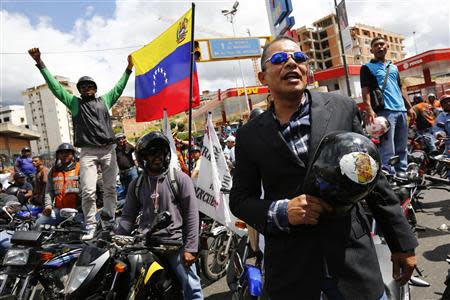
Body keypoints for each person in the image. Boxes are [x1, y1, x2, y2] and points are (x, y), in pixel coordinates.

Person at [229, 36, 418, 300]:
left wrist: (402, 243)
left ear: (307, 69)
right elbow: (239, 200)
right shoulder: (249, 136)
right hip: (292, 273)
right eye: (280, 60)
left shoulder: (342, 108)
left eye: (299, 58)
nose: (292, 64)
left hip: (352, 261)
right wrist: (282, 211)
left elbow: (371, 177)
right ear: (263, 77)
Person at [28, 47, 133, 240]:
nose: (86, 88)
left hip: (108, 150)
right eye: (82, 86)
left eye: (89, 85)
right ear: (79, 90)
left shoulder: (105, 101)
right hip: (88, 152)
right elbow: (56, 88)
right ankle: (91, 225)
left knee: (110, 188)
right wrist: (40, 63)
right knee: (88, 190)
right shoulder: (74, 104)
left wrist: (128, 69)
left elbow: (118, 88)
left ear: (95, 87)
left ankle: (109, 219)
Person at [116, 131, 203, 300]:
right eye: (152, 153)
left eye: (160, 152)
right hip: (145, 243)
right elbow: (127, 217)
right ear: (143, 158)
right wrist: (118, 239)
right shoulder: (137, 184)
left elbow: (192, 215)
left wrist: (191, 248)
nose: (157, 157)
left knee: (192, 287)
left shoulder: (180, 179)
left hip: (173, 244)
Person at [360, 37, 416, 174]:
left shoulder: (394, 67)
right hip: (385, 112)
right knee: (388, 148)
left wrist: (409, 107)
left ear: (387, 47)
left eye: (381, 44)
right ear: (372, 50)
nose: (379, 47)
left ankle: (402, 173)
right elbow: (365, 90)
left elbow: (400, 88)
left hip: (401, 111)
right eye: (376, 45)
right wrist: (369, 109)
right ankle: (390, 175)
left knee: (402, 147)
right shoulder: (367, 68)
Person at [38, 143, 82, 226]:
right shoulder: (53, 170)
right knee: (39, 224)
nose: (64, 155)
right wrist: (48, 206)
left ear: (72, 154)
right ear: (58, 155)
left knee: (84, 232)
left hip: (78, 211)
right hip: (59, 211)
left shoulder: (80, 168)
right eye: (61, 153)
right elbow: (49, 190)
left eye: (67, 153)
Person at [433, 93, 450, 179]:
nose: (448, 103)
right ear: (442, 106)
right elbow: (438, 130)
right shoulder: (440, 117)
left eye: (449, 101)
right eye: (445, 102)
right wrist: (440, 135)